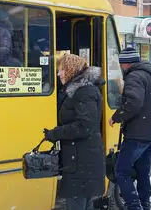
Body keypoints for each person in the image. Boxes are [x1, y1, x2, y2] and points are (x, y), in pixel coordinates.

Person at [43, 54, 105, 210]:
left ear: (70, 70)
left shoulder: (84, 92)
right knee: (83, 204)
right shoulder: (77, 90)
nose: (58, 74)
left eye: (61, 70)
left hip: (82, 160)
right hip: (80, 158)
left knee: (77, 204)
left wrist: (56, 133)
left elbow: (84, 125)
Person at [109, 47, 151, 210]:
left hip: (137, 135)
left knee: (121, 172)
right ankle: (145, 205)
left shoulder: (134, 77)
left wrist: (116, 116)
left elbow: (134, 103)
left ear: (125, 64)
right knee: (142, 172)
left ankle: (134, 206)